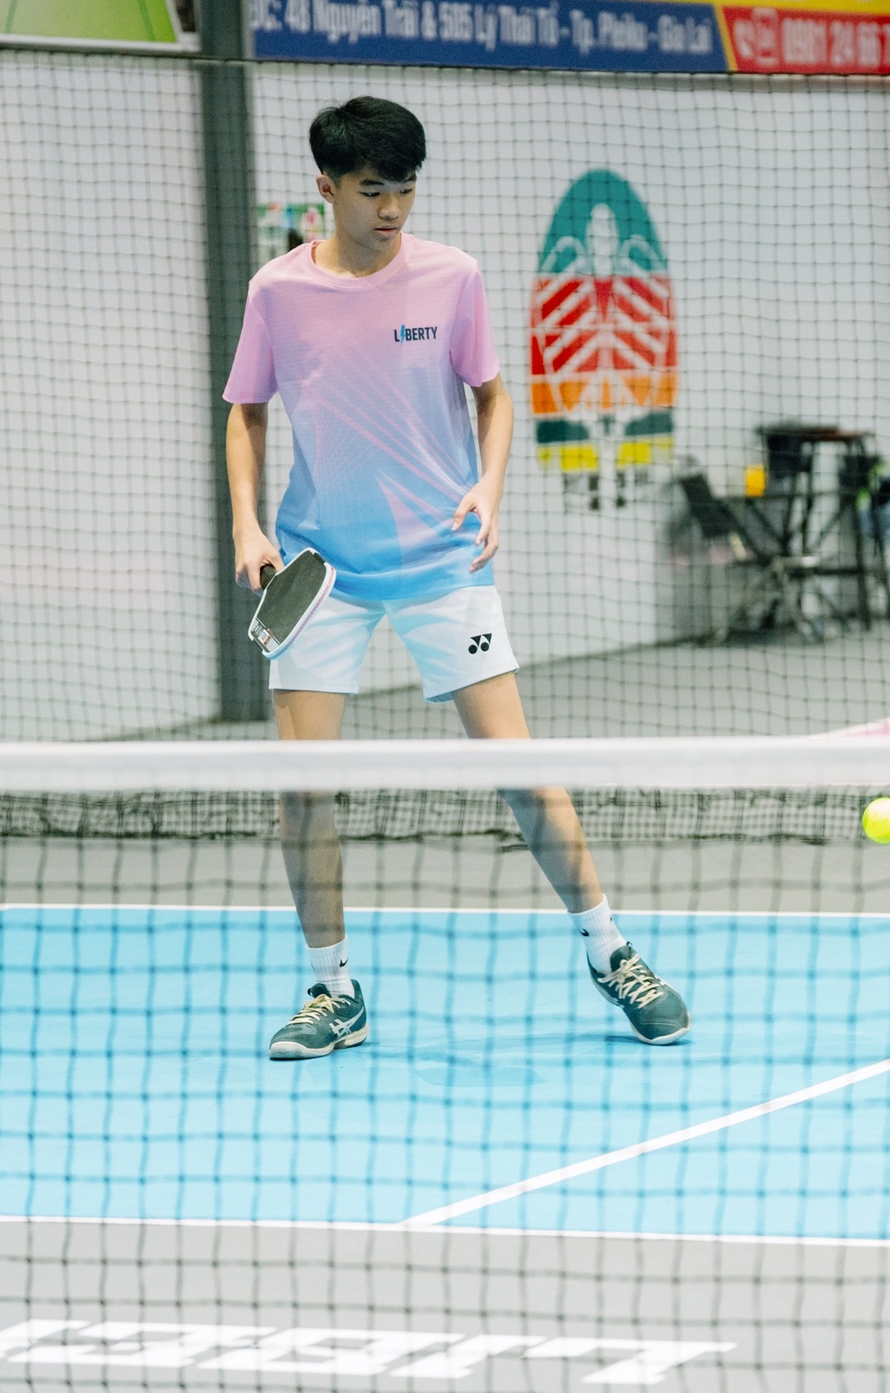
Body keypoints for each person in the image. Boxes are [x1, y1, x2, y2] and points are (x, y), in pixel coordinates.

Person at [224, 96, 690, 1059]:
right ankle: (333, 989)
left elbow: (495, 397)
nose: (392, 208)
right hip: (321, 570)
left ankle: (611, 951)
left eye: (404, 188)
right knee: (302, 788)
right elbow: (246, 412)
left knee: (517, 769)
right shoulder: (278, 290)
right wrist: (246, 522)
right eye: (372, 190)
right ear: (326, 188)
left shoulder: (453, 276)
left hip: (443, 559)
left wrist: (488, 485)